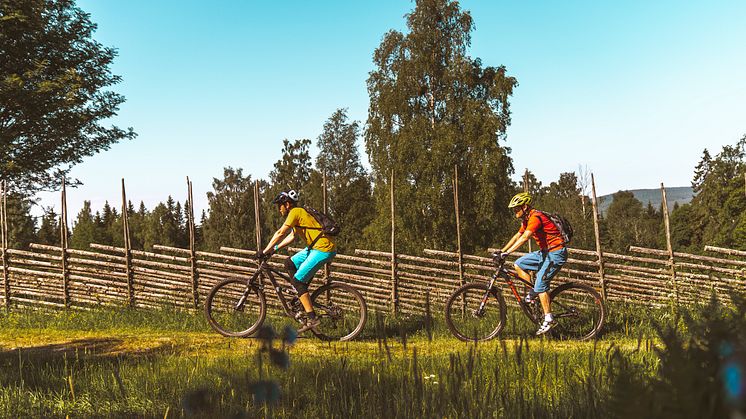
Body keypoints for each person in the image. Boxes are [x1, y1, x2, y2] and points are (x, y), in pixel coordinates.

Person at [260, 190, 337, 333]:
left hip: (323, 249)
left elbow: (280, 233)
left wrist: (264, 251)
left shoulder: (295, 212)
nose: (279, 209)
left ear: (287, 204)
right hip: (315, 248)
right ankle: (301, 294)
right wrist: (274, 249)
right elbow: (291, 237)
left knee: (297, 281)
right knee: (289, 263)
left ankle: (312, 319)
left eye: (280, 206)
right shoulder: (299, 214)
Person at [497, 192, 568, 335]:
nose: (515, 211)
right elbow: (517, 235)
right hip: (545, 252)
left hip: (556, 253)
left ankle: (549, 319)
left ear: (525, 206)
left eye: (517, 208)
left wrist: (507, 253)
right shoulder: (526, 219)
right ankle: (533, 294)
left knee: (541, 284)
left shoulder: (535, 217)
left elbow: (524, 238)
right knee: (519, 264)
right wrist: (501, 250)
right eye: (514, 209)